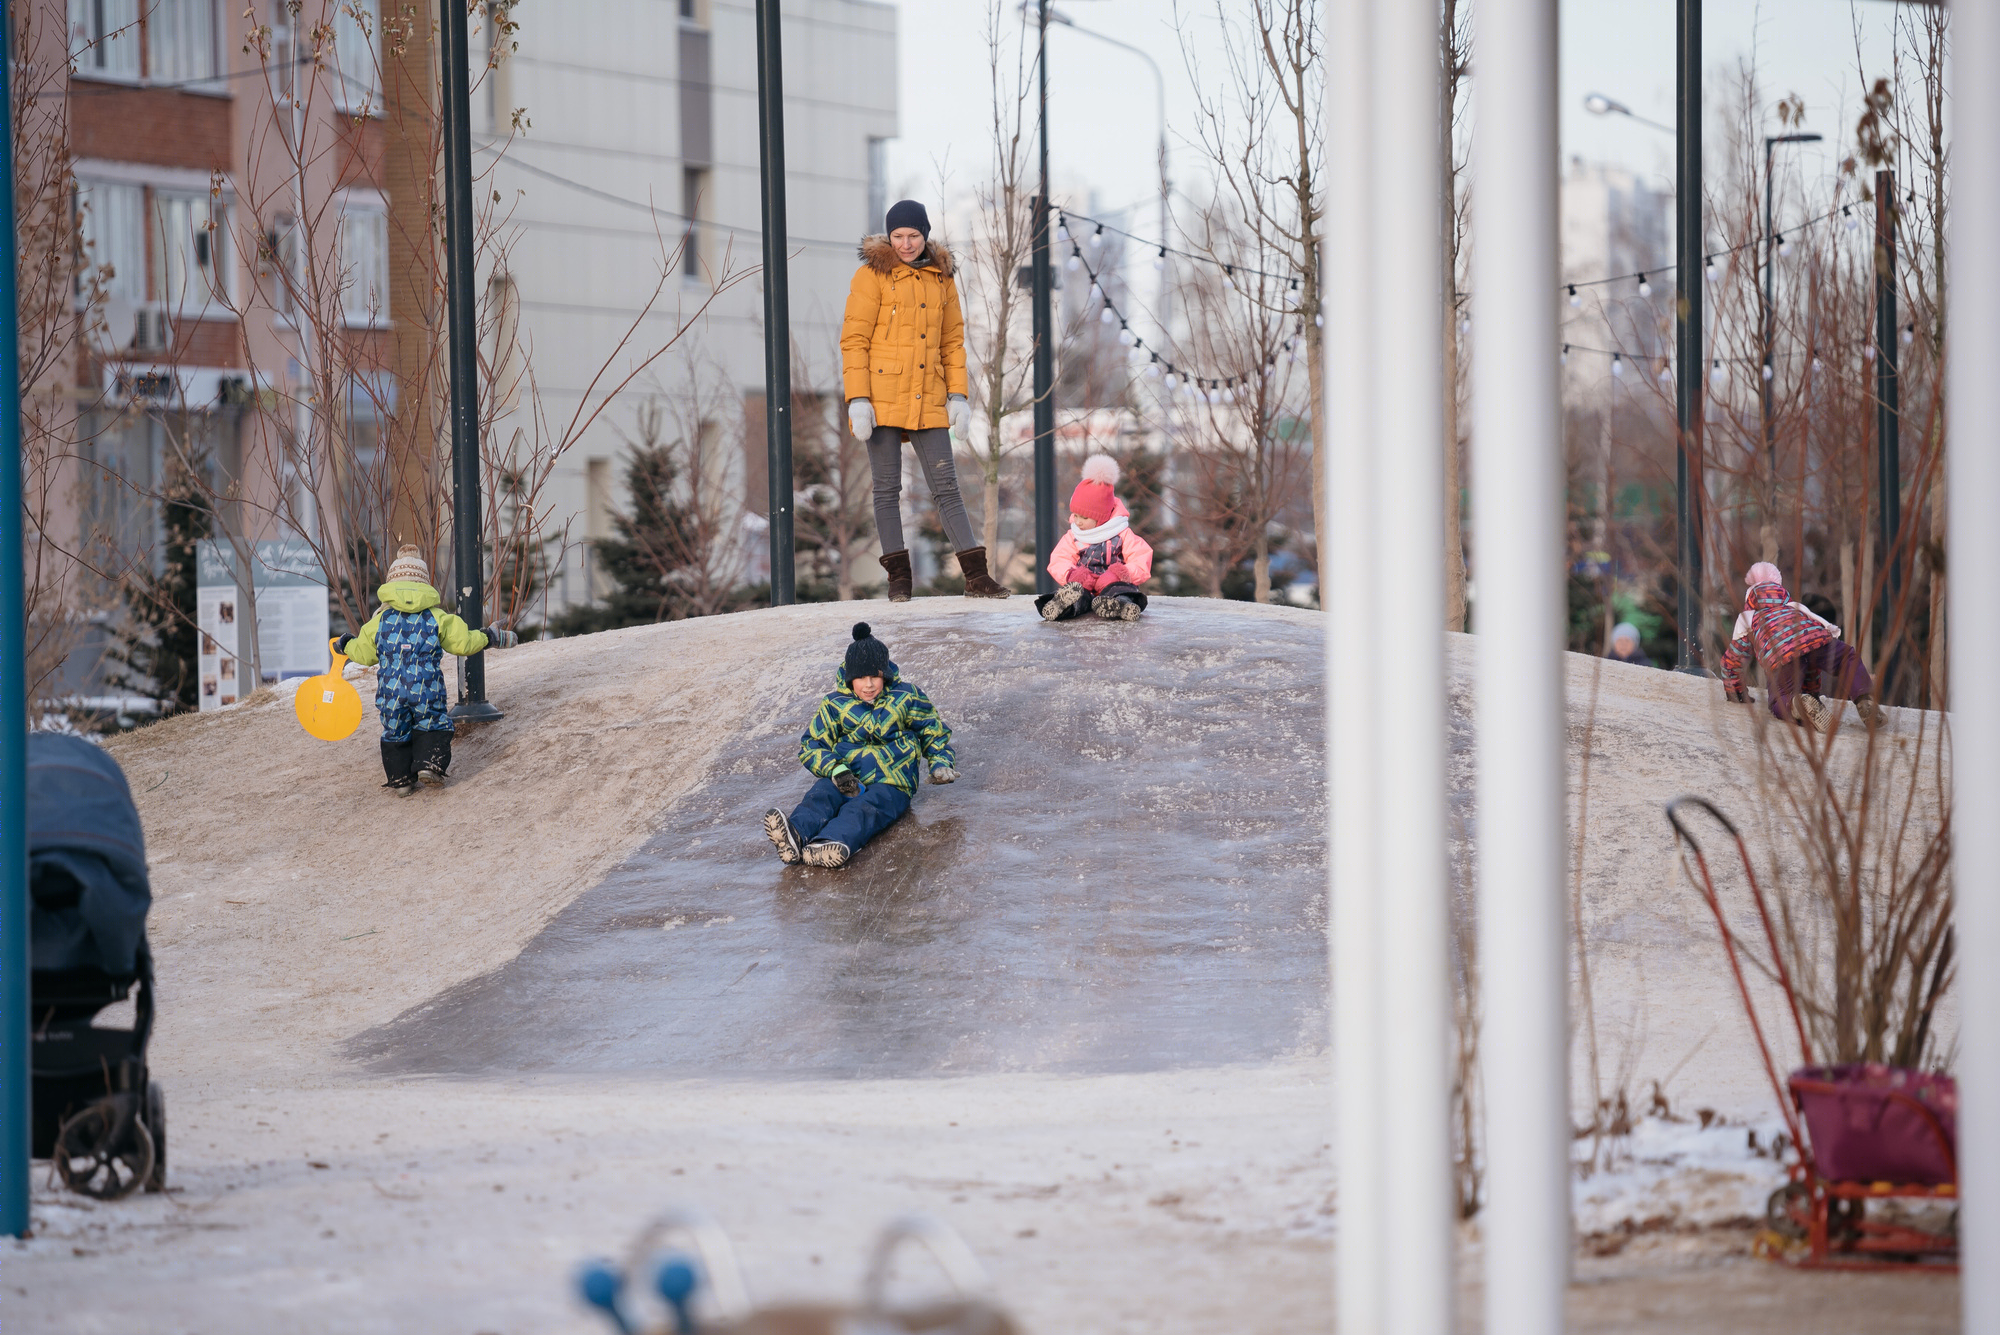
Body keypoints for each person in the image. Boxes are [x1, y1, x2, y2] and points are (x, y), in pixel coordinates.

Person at [841, 199, 1010, 601]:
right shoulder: (871, 277)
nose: (905, 244)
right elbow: (854, 341)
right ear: (889, 236)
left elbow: (952, 342)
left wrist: (958, 396)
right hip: (881, 398)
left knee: (947, 486)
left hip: (929, 396)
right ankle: (898, 580)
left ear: (925, 234)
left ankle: (977, 577)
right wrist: (858, 399)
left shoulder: (942, 279)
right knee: (885, 490)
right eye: (898, 236)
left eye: (913, 235)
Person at [764, 623, 957, 870]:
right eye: (860, 678)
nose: (868, 685)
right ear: (849, 677)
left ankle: (829, 843)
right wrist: (834, 769)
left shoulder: (906, 696)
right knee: (822, 794)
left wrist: (940, 763)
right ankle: (795, 835)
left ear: (884, 674)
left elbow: (932, 730)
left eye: (874, 676)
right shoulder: (835, 703)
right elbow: (812, 744)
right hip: (847, 776)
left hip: (892, 782)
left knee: (865, 809)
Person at [335, 544, 518, 792]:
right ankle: (429, 765)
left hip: (391, 694)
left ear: (391, 585)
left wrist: (346, 645)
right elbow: (463, 642)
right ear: (423, 585)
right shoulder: (436, 617)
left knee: (395, 730)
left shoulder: (379, 621)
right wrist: (489, 637)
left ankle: (400, 780)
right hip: (427, 688)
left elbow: (364, 654)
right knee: (432, 723)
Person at [1720, 561, 1879, 730]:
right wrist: (1812, 694)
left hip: (1781, 654)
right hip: (1817, 639)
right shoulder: (1795, 607)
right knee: (1847, 657)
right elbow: (1810, 662)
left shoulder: (1749, 618)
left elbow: (1733, 660)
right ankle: (1864, 698)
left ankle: (1796, 704)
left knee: (1779, 698)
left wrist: (1735, 691)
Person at [1037, 453, 1155, 623]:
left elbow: (1141, 560)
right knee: (1077, 594)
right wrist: (1072, 575)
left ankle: (1121, 605)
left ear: (1102, 517)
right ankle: (1062, 606)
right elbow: (1058, 559)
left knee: (1121, 591)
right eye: (1075, 515)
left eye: (1084, 518)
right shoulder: (1075, 536)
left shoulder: (1122, 534)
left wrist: (1121, 574)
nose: (1077, 521)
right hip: (1086, 587)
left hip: (1114, 584)